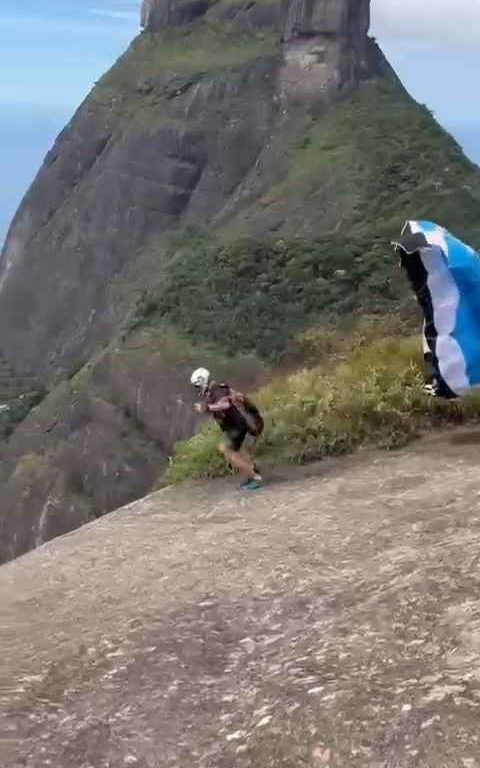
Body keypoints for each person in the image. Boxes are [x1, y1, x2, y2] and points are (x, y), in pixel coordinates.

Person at [190, 367, 264, 490]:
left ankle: (255, 477)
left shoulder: (216, 390)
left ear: (202, 381)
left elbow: (225, 405)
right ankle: (252, 473)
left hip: (237, 425)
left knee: (227, 450)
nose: (197, 389)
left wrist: (207, 408)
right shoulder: (214, 390)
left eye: (197, 386)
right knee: (238, 450)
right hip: (235, 425)